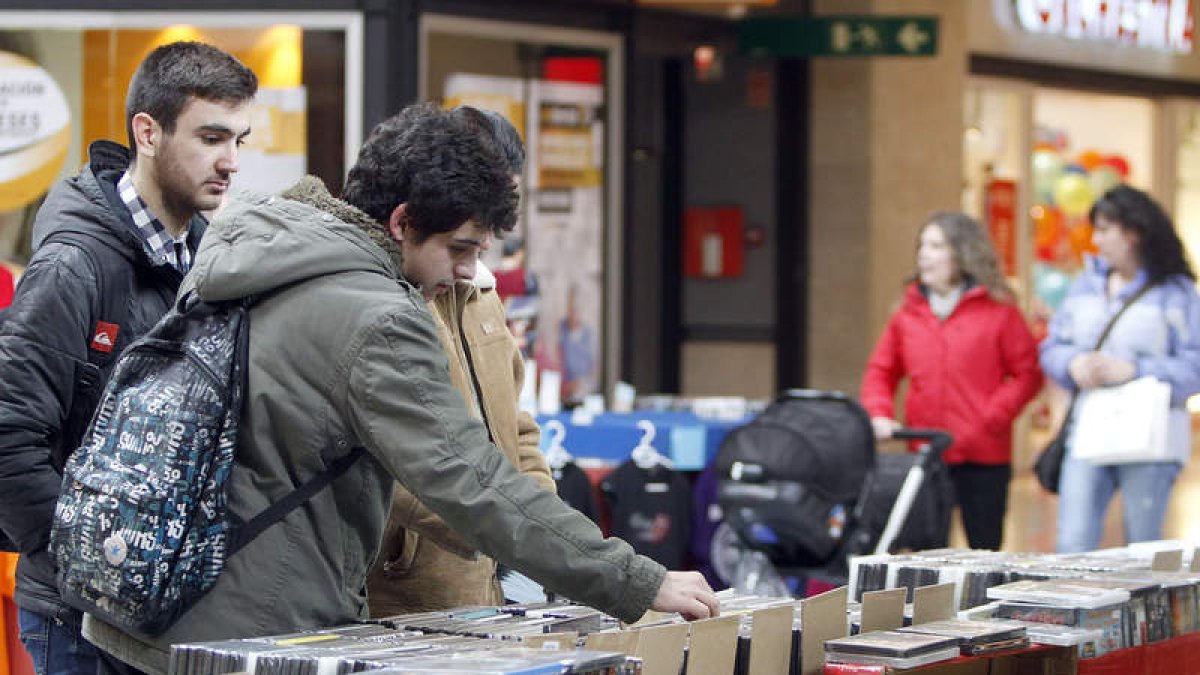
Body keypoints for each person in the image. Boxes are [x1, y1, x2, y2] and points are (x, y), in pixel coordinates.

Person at [83, 102, 716, 675]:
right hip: (251, 632)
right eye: (460, 249)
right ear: (401, 221)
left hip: (154, 601)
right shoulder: (376, 315)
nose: (471, 272)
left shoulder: (260, 255)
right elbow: (470, 482)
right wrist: (635, 580)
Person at [0, 41, 256, 675]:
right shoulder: (74, 265)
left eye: (240, 141)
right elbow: (6, 435)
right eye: (211, 137)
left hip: (169, 610)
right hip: (78, 616)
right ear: (147, 131)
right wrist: (90, 563)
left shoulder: (211, 260)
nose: (229, 162)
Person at [365, 106, 557, 615]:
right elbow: (404, 464)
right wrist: (529, 537)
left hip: (484, 590)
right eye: (483, 215)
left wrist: (551, 540)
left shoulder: (483, 295)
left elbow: (517, 431)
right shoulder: (384, 299)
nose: (491, 237)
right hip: (400, 599)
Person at [861, 211, 1042, 551]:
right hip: (928, 453)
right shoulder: (907, 314)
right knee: (927, 556)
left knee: (984, 555)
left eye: (936, 245)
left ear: (962, 253)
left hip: (984, 457)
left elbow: (1027, 373)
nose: (923, 254)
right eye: (921, 246)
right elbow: (880, 372)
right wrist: (880, 414)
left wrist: (992, 417)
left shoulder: (999, 310)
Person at [1040, 185, 1200, 553]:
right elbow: (1051, 349)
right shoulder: (1084, 287)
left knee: (1142, 549)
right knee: (1072, 543)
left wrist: (1135, 369)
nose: (1095, 240)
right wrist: (1073, 363)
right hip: (1088, 430)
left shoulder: (1176, 293)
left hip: (1151, 436)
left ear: (1133, 233)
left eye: (1104, 229)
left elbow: (1194, 366)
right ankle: (1075, 610)